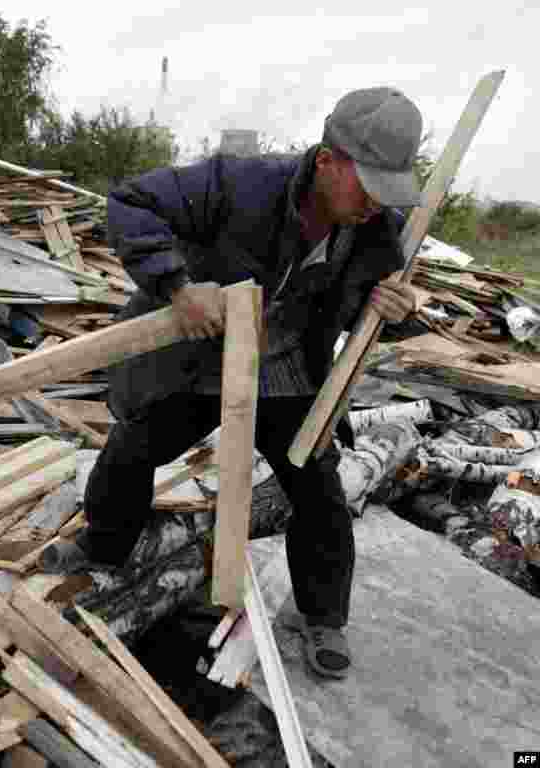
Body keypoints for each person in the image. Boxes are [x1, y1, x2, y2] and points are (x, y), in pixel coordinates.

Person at [40, 87, 423, 679]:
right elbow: (130, 203)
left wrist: (393, 310)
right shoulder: (240, 184)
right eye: (367, 182)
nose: (376, 202)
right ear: (327, 160)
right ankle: (102, 548)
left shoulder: (375, 231)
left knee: (318, 486)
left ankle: (322, 614)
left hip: (288, 368)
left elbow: (372, 314)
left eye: (387, 188)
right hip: (202, 359)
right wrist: (177, 285)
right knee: (133, 447)